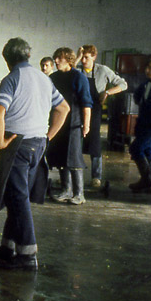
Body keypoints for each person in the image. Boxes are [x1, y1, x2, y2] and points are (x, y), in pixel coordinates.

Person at [0, 38, 70, 271]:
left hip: (18, 144)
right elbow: (63, 108)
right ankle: (8, 246)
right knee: (16, 195)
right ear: (27, 56)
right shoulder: (44, 78)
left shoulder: (12, 79)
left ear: (7, 59)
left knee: (18, 199)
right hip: (37, 144)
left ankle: (27, 254)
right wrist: (47, 136)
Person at [46, 48, 93, 204]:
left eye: (59, 58)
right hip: (58, 123)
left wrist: (86, 125)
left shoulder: (79, 77)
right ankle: (66, 190)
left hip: (74, 124)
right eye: (55, 58)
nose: (56, 61)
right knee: (60, 157)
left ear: (69, 59)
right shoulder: (53, 77)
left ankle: (79, 194)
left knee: (73, 158)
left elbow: (86, 103)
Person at [77, 44, 129, 188]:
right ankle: (74, 175)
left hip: (94, 110)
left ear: (94, 57)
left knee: (94, 143)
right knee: (75, 142)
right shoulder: (77, 70)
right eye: (82, 57)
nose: (84, 61)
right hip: (78, 109)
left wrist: (107, 92)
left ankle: (96, 176)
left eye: (86, 57)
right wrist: (77, 57)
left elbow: (123, 84)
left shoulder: (103, 70)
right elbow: (67, 73)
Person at [128, 57, 151, 193]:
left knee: (136, 148)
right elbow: (137, 98)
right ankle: (148, 183)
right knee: (147, 150)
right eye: (146, 68)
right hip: (142, 122)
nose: (147, 71)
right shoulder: (144, 85)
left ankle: (146, 179)